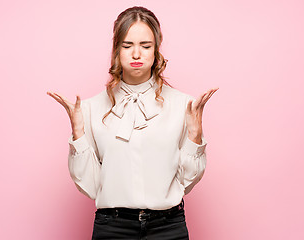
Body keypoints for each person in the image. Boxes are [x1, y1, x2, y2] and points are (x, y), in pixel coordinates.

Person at [47, 6, 218, 240]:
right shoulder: (90, 108)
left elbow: (185, 182)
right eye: (127, 46)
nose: (136, 54)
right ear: (116, 50)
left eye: (145, 46)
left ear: (156, 50)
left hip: (168, 227)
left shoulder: (183, 105)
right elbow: (90, 186)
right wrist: (78, 135)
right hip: (112, 227)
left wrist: (195, 137)